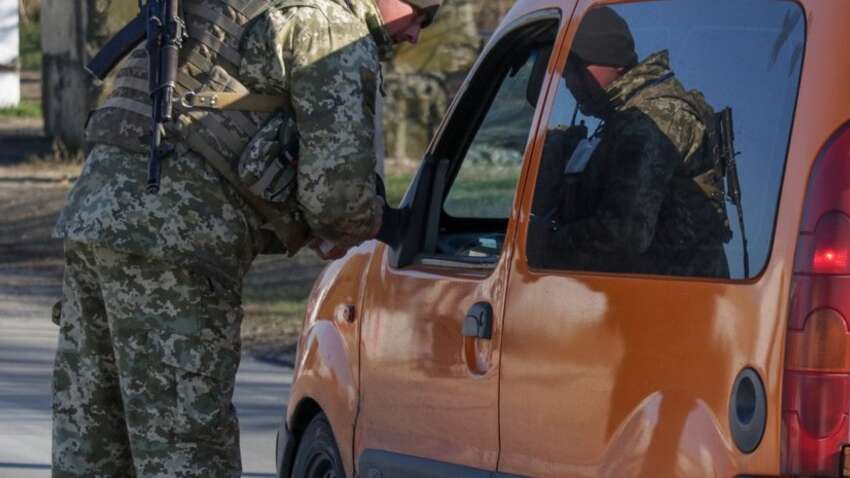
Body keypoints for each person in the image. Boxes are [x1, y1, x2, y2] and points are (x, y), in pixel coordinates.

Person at [50, 0, 440, 476]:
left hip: (92, 222)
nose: (417, 34)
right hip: (175, 244)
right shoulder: (330, 27)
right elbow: (337, 199)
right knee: (186, 447)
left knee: (94, 437)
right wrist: (394, 227)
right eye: (422, 15)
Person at [540, 6, 731, 278]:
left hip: (674, 303)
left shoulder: (650, 121)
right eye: (565, 71)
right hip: (653, 298)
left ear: (614, 61)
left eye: (576, 68)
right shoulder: (624, 117)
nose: (570, 82)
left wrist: (540, 246)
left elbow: (623, 234)